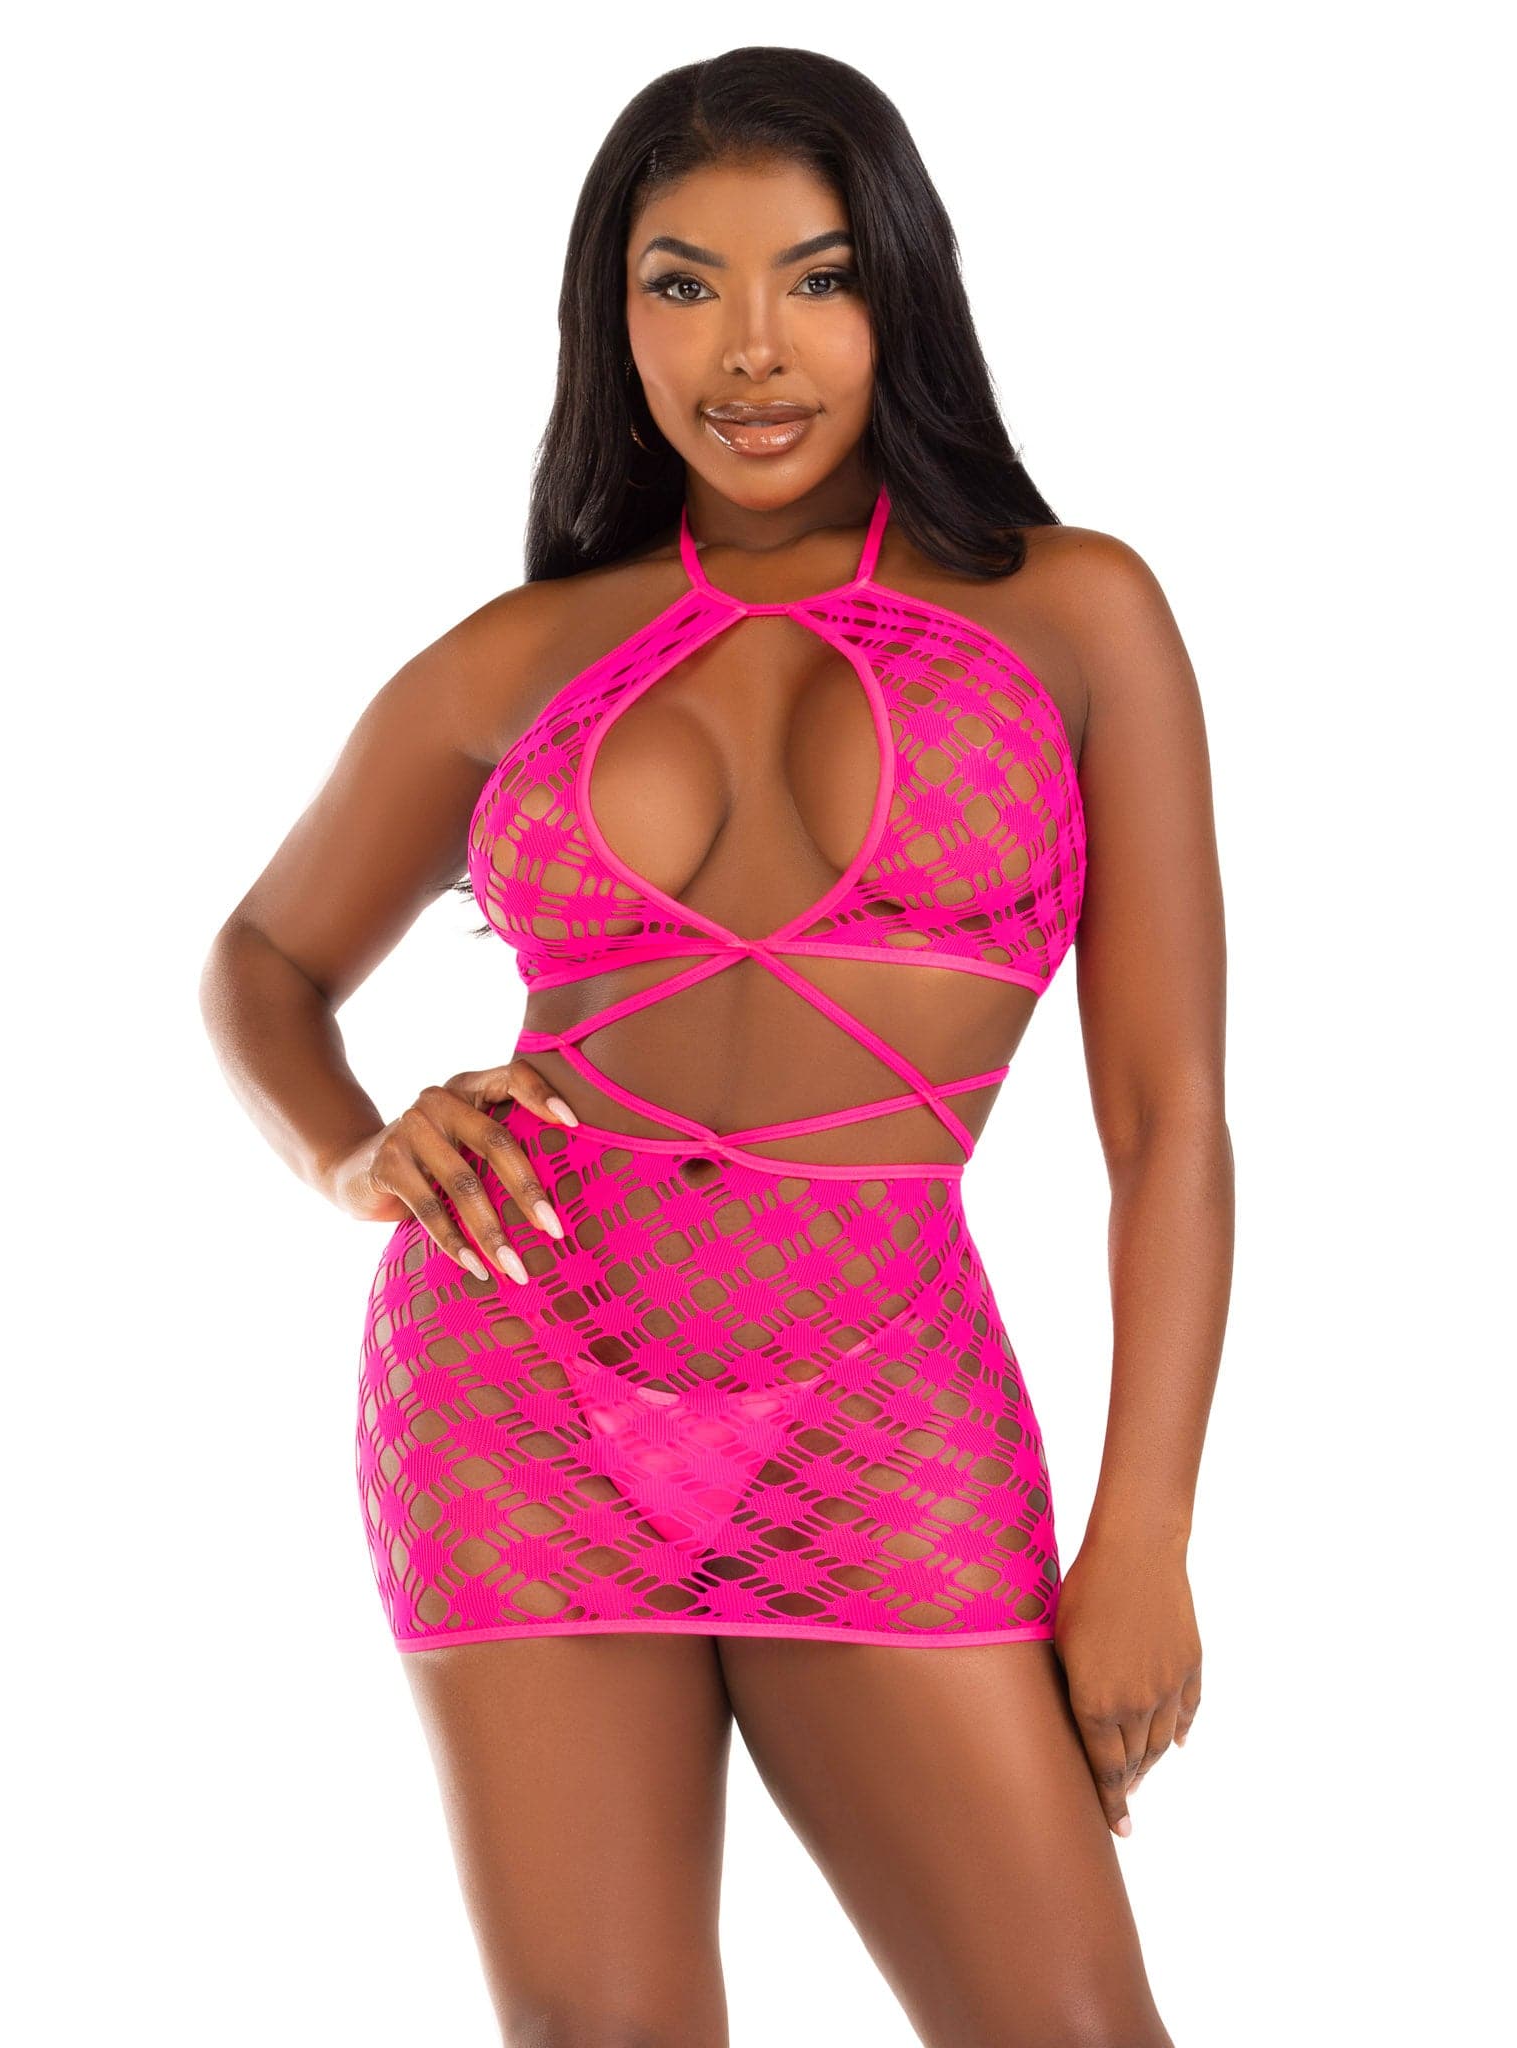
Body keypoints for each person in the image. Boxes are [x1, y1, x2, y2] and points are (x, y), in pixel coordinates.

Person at [200, 46, 1232, 2048]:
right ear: (615, 318)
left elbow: (1166, 1115)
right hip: (510, 1388)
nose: (749, 349)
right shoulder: (525, 654)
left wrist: (1147, 1536)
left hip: (883, 1401)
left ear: (901, 294)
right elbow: (261, 957)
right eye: (683, 285)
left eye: (814, 279)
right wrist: (352, 1150)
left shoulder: (1076, 613)